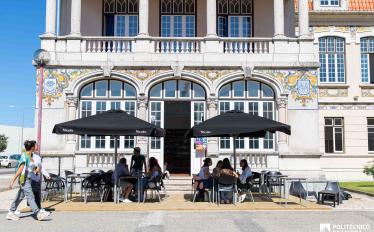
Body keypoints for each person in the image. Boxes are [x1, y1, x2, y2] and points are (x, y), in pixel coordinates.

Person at [6, 140, 50, 221]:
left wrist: (36, 170)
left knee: (20, 196)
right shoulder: (24, 156)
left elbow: (30, 168)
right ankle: (38, 213)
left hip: (28, 178)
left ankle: (11, 212)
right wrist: (12, 181)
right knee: (30, 196)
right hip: (24, 178)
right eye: (35, 146)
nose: (36, 147)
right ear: (32, 147)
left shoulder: (31, 155)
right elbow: (20, 169)